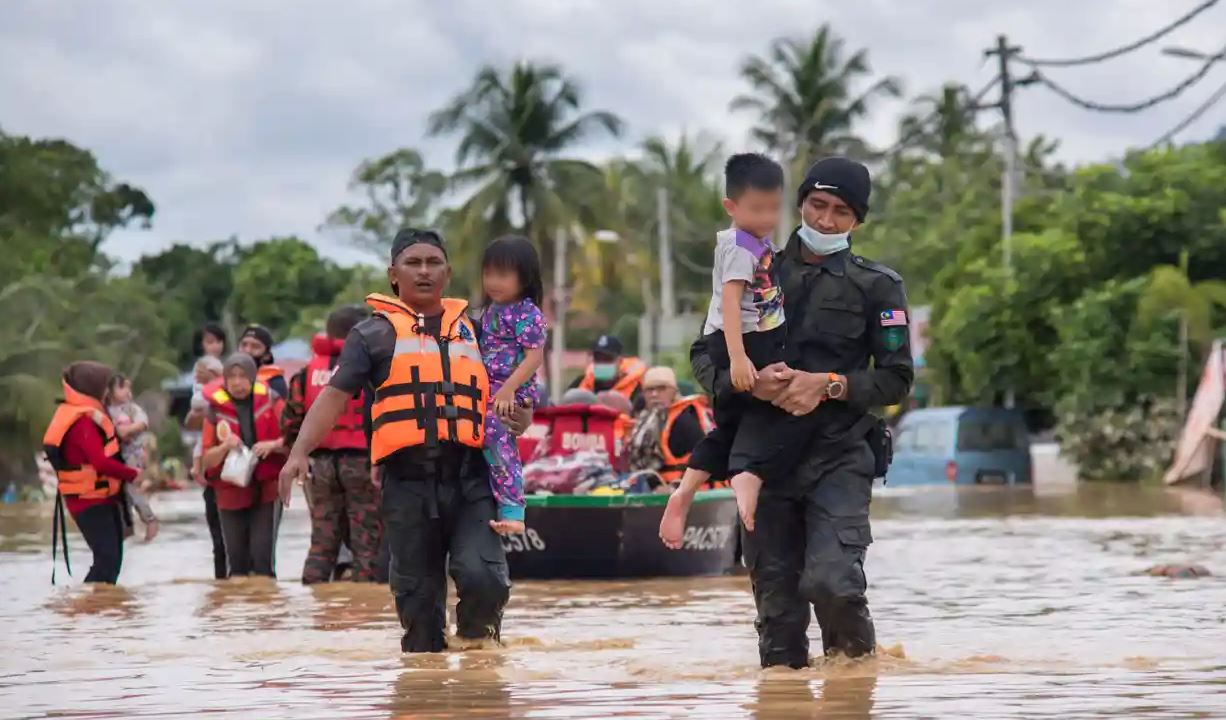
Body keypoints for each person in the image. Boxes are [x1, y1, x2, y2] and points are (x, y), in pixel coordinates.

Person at [689, 156, 913, 667]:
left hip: (841, 454)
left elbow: (897, 380)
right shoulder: (752, 265)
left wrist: (829, 385)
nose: (826, 221)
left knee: (833, 583)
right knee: (779, 613)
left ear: (859, 220)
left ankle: (854, 688)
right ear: (800, 204)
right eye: (817, 205)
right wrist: (751, 384)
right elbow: (705, 352)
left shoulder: (879, 286)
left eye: (841, 211)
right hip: (765, 456)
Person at [278, 228, 532, 653]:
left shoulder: (478, 332)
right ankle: (426, 691)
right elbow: (334, 396)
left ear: (448, 273)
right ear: (393, 274)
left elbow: (512, 403)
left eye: (434, 263)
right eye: (413, 263)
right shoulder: (371, 336)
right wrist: (298, 452)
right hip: (406, 483)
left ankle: (478, 665)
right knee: (418, 609)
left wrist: (519, 416)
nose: (424, 271)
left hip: (471, 478)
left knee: (484, 579)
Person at [283, 305, 384, 584]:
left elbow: (291, 422)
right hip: (363, 463)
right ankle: (366, 605)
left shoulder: (304, 375)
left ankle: (315, 597)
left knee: (322, 540)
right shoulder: (372, 367)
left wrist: (301, 455)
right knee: (367, 542)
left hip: (320, 466)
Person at [42, 362, 145, 584]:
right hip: (88, 501)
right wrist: (132, 474)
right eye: (105, 386)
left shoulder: (85, 415)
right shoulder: (83, 422)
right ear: (93, 388)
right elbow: (100, 462)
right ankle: (89, 608)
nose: (108, 391)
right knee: (107, 560)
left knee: (111, 561)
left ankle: (100, 612)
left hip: (100, 497)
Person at [478, 235, 548, 532]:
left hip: (512, 391)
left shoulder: (527, 313)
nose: (493, 281)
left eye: (503, 275)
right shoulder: (488, 311)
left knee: (496, 433)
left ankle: (514, 511)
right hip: (488, 388)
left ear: (524, 277)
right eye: (489, 273)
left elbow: (534, 358)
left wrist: (508, 389)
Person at [201, 353, 288, 577]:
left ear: (252, 378)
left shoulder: (272, 400)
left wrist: (273, 444)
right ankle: (239, 610)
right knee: (237, 565)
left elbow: (294, 437)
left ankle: (264, 608)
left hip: (266, 490)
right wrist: (224, 447)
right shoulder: (214, 410)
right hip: (230, 492)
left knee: (263, 562)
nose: (237, 382)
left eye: (243, 376)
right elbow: (206, 460)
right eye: (232, 377)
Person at [625, 367, 714, 484]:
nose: (654, 394)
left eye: (661, 388)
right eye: (649, 390)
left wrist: (679, 488)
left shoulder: (685, 419)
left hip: (693, 492)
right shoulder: (645, 419)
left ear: (674, 391)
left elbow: (709, 460)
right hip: (656, 489)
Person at [185, 355, 227, 579]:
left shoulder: (230, 390)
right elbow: (191, 421)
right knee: (219, 541)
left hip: (232, 468)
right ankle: (223, 585)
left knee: (234, 540)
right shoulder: (202, 392)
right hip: (211, 468)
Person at [106, 374, 160, 542]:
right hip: (114, 456)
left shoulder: (131, 409)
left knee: (132, 488)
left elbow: (143, 423)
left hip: (132, 455)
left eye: (129, 388)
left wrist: (127, 430)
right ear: (109, 390)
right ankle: (126, 526)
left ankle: (149, 519)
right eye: (122, 387)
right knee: (118, 492)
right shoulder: (104, 410)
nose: (128, 392)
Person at [571, 334, 647, 412]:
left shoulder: (636, 388)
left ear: (620, 361)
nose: (602, 363)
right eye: (598, 359)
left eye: (608, 359)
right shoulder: (579, 383)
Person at [237, 324, 288, 398]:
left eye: (255, 347)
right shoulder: (227, 376)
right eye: (244, 345)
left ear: (266, 356)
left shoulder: (275, 382)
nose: (247, 351)